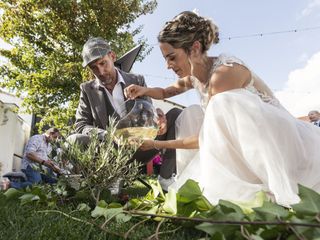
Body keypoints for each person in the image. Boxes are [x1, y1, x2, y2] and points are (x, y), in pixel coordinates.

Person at [125, 11, 320, 207]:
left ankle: (265, 183)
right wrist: (144, 89)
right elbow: (166, 92)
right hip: (246, 141)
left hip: (280, 143)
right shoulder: (194, 76)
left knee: (218, 105)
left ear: (194, 48)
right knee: (191, 113)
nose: (168, 65)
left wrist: (157, 144)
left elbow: (205, 138)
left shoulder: (223, 74)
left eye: (172, 57)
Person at [68, 37, 182, 186]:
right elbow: (81, 125)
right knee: (73, 140)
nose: (100, 71)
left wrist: (158, 120)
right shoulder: (87, 90)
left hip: (142, 147)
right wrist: (108, 135)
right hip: (109, 152)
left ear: (112, 56)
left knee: (175, 114)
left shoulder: (137, 80)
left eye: (103, 63)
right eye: (93, 67)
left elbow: (149, 115)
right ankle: (90, 185)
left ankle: (166, 179)